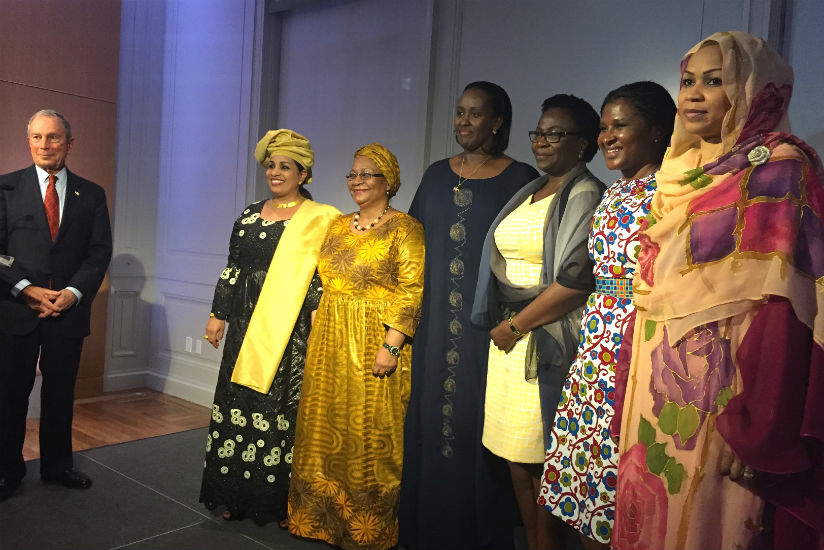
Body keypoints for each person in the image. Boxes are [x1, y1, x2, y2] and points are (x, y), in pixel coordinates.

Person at [611, 32, 824, 549]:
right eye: (688, 81)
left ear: (753, 91)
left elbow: (787, 304)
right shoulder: (680, 172)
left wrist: (760, 420)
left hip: (725, 389)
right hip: (655, 380)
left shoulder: (780, 168)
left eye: (715, 81)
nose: (694, 94)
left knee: (710, 521)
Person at [400, 81, 539, 549]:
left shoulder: (519, 178)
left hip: (487, 323)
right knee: (429, 414)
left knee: (476, 419)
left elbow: (529, 251)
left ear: (497, 122)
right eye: (459, 112)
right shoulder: (438, 174)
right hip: (434, 319)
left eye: (475, 114)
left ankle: (478, 531)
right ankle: (428, 525)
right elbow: (413, 243)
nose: (463, 121)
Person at [538, 83, 676, 548]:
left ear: (657, 132)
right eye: (603, 127)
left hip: (640, 341)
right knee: (589, 475)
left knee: (627, 472)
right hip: (596, 342)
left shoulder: (672, 189)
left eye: (621, 125)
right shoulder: (616, 192)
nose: (607, 136)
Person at [472, 94, 606, 549]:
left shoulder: (585, 192)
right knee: (516, 457)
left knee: (543, 460)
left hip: (544, 335)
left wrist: (515, 326)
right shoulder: (531, 190)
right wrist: (507, 326)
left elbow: (575, 279)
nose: (542, 142)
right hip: (512, 337)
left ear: (583, 144)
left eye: (555, 133)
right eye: (538, 132)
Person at [199, 129, 340, 525]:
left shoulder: (321, 219)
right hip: (245, 325)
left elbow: (320, 277)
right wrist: (218, 314)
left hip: (289, 329)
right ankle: (234, 494)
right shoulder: (248, 214)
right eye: (270, 166)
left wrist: (316, 320)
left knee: (281, 408)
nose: (275, 173)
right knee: (237, 401)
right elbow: (233, 268)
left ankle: (280, 501)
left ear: (303, 173)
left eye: (285, 166)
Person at [288, 143, 424, 550]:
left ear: (388, 182)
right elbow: (319, 279)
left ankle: (366, 528)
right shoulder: (336, 225)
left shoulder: (405, 227)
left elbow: (411, 291)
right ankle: (317, 520)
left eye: (367, 174)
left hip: (374, 340)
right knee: (324, 426)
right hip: (330, 338)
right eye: (352, 174)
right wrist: (317, 317)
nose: (357, 181)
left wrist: (392, 346)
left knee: (370, 433)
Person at [0, 109, 113, 500]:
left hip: (68, 312)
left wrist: (72, 293)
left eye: (53, 137)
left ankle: (58, 466)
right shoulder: (5, 188)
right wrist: (27, 289)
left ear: (69, 143)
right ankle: (6, 472)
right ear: (28, 141)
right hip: (16, 311)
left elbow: (99, 254)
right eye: (37, 137)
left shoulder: (91, 193)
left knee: (60, 393)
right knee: (10, 393)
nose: (44, 145)